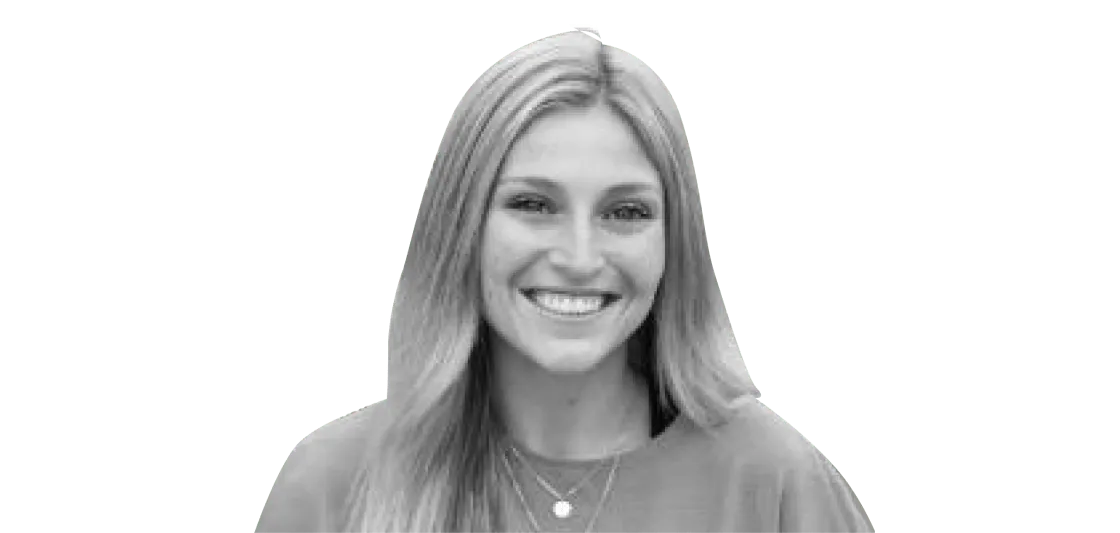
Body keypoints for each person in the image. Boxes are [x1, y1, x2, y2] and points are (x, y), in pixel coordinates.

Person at [255, 27, 876, 533]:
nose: (580, 257)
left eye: (625, 212)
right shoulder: (331, 485)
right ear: (461, 225)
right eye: (533, 205)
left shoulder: (775, 482)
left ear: (674, 242)